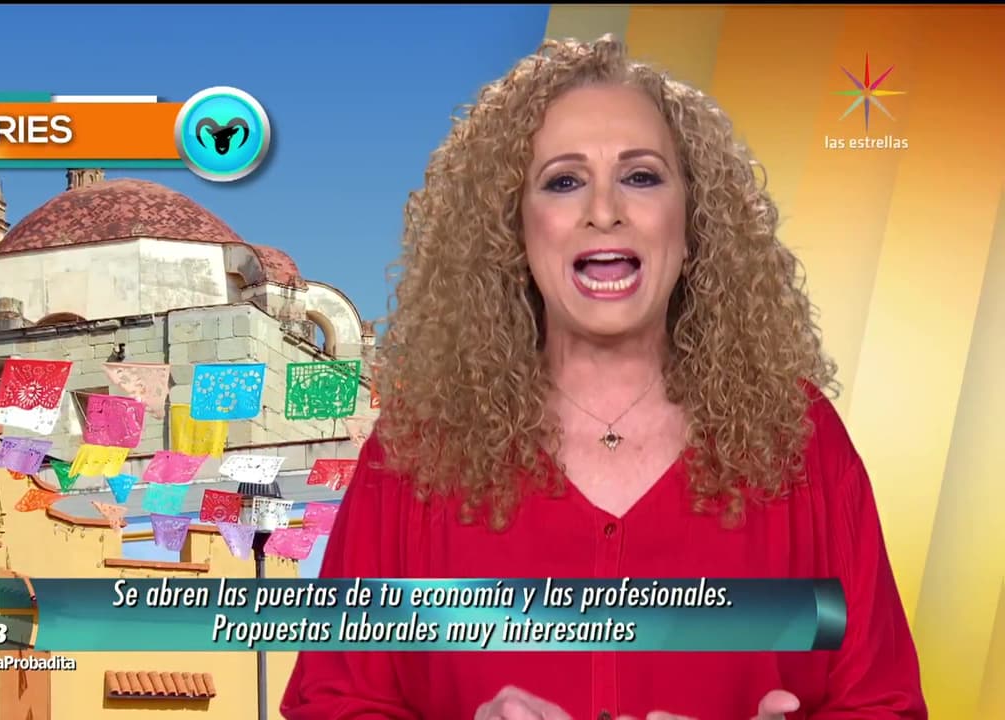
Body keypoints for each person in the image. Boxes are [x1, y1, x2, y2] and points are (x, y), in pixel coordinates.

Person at [280, 35, 926, 720]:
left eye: (641, 176)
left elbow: (882, 703)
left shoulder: (799, 438)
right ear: (513, 231)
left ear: (693, 222)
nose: (604, 209)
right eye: (564, 181)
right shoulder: (415, 451)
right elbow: (335, 702)